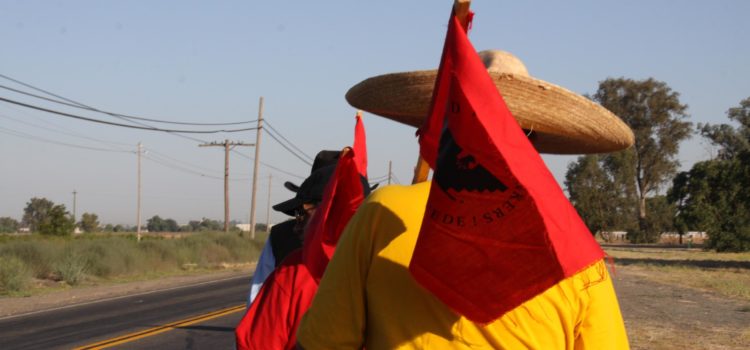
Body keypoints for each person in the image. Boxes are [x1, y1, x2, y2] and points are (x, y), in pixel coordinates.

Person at [296, 9, 632, 349]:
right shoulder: (572, 243)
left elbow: (326, 342)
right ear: (531, 142)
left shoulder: (382, 212)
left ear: (441, 128)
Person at [246, 150, 339, 306]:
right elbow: (259, 302)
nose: (297, 227)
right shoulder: (280, 238)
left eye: (303, 212)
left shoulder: (370, 243)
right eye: (299, 213)